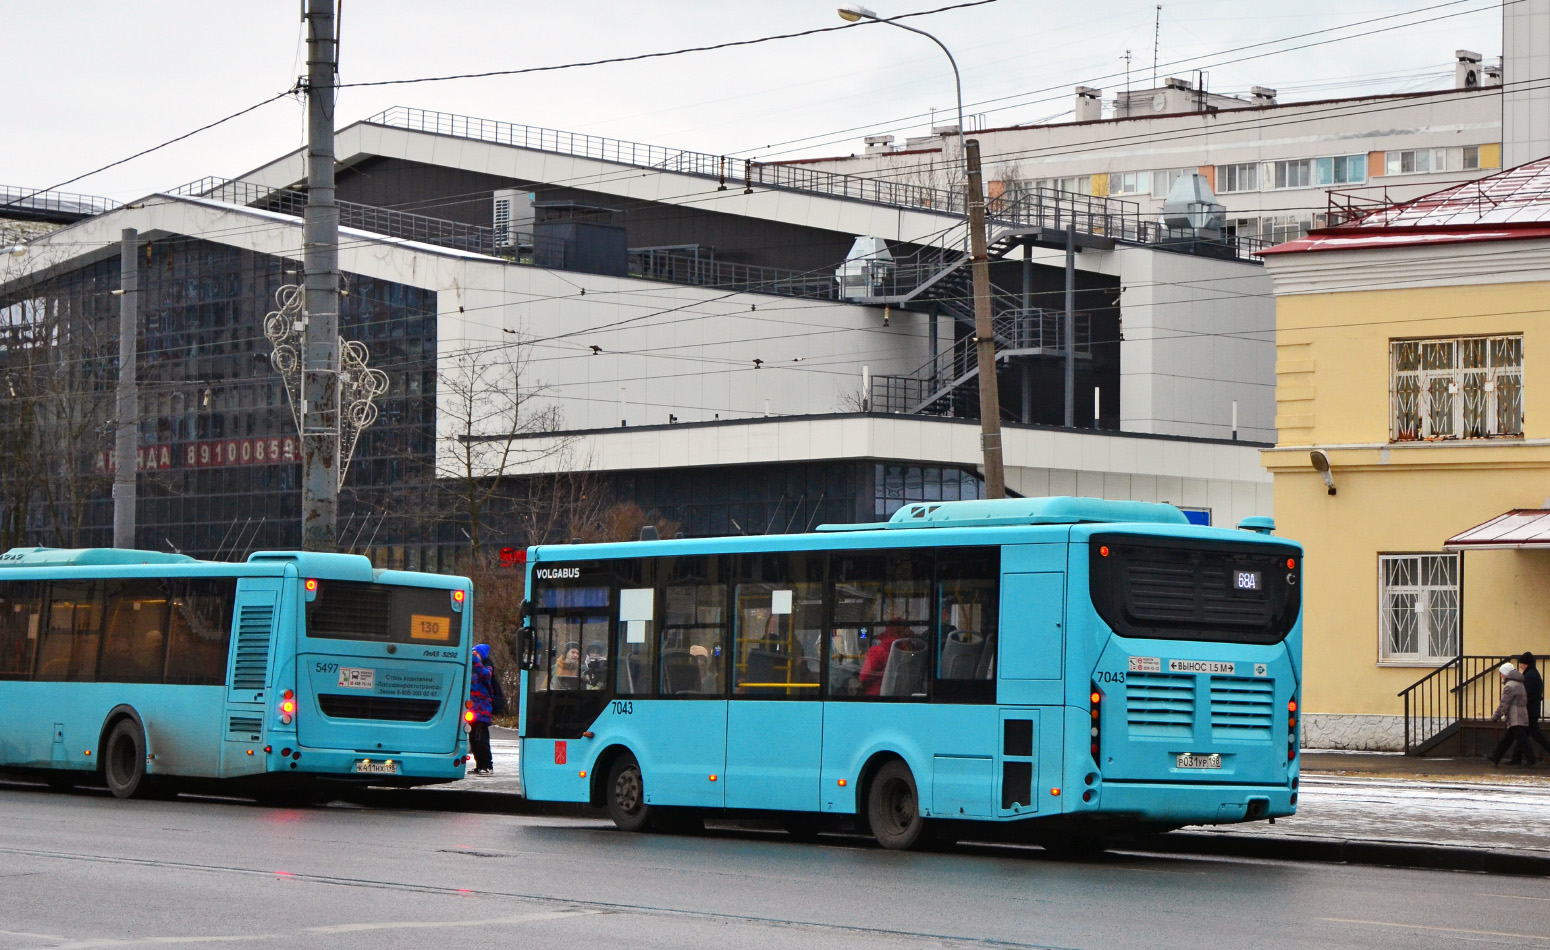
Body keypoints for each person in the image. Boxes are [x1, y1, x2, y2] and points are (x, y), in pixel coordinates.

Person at [1489, 661, 1538, 768]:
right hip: (1521, 714)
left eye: (1501, 673)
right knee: (1508, 739)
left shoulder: (1509, 686)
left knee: (1522, 740)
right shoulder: (1519, 683)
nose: (1501, 675)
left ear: (1505, 673)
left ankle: (1532, 759)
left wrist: (1496, 716)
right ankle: (1495, 757)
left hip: (1515, 717)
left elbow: (1504, 703)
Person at [1514, 652, 1550, 761]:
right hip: (1532, 710)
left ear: (1527, 663)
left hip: (1529, 711)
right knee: (1523, 735)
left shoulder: (1530, 676)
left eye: (1522, 663)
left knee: (1535, 735)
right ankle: (1516, 758)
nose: (1520, 666)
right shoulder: (1533, 674)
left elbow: (1527, 694)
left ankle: (1519, 758)